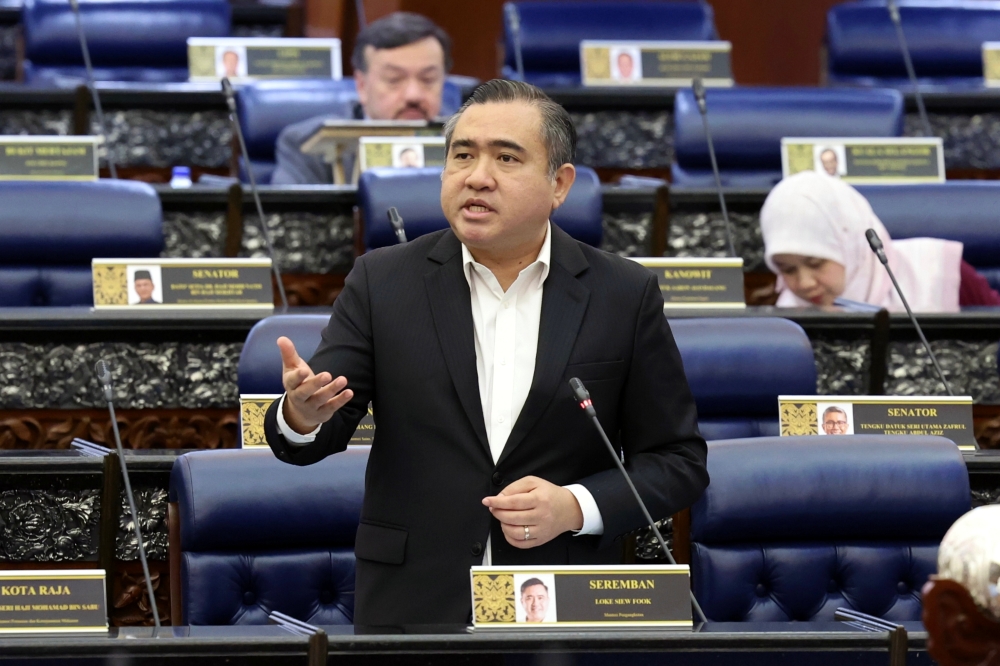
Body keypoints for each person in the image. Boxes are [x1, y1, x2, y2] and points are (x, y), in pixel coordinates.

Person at [264, 79, 709, 626]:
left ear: (560, 184)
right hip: (414, 605)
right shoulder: (383, 282)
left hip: (561, 603)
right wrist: (301, 417)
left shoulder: (622, 294)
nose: (478, 176)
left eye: (506, 157)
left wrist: (575, 506)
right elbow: (317, 434)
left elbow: (677, 461)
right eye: (463, 155)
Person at [760, 170, 1000, 311]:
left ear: (852, 246)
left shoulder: (938, 272)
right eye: (787, 269)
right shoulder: (785, 320)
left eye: (815, 263)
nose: (804, 283)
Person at [271, 13, 452, 185]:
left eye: (428, 79)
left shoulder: (469, 140)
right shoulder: (307, 146)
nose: (413, 95)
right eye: (394, 80)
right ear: (361, 86)